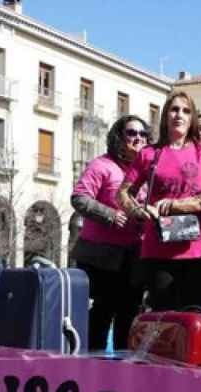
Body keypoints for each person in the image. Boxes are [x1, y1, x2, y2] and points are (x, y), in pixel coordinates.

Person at [116, 91, 201, 311]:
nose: (179, 115)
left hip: (198, 251)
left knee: (195, 322)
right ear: (165, 115)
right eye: (174, 109)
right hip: (158, 249)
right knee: (163, 321)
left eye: (186, 111)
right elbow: (123, 193)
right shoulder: (148, 154)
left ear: (192, 118)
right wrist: (137, 210)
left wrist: (177, 205)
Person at [71, 115, 149, 351]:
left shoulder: (146, 172)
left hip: (133, 259)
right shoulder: (101, 165)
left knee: (129, 318)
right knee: (100, 318)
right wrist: (110, 215)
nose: (138, 138)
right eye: (131, 133)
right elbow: (79, 198)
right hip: (100, 259)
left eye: (142, 134)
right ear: (119, 136)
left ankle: (122, 374)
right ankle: (93, 371)